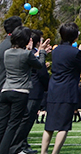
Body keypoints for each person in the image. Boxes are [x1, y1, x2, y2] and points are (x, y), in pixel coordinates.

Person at [41, 22, 81, 154]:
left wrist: (79, 53)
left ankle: (43, 152)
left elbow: (68, 61)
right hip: (67, 90)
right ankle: (55, 152)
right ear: (75, 37)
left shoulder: (56, 50)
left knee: (49, 125)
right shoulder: (75, 52)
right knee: (63, 126)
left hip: (54, 89)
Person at [0, 26, 49, 154]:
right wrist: (42, 52)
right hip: (20, 92)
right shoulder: (27, 54)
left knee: (2, 124)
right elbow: (39, 65)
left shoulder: (7, 53)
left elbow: (19, 62)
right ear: (28, 41)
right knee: (13, 125)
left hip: (5, 90)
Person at [14, 29, 50, 154]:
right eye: (40, 39)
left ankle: (23, 143)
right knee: (27, 121)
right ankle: (20, 145)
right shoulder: (32, 53)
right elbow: (41, 73)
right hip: (34, 91)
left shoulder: (33, 53)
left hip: (31, 90)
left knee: (27, 120)